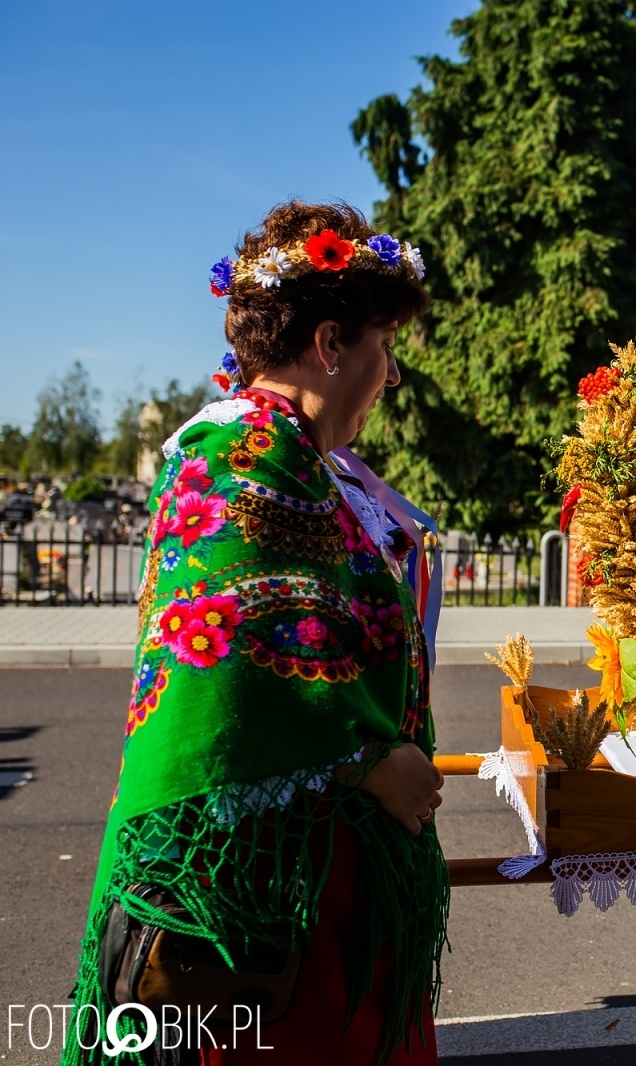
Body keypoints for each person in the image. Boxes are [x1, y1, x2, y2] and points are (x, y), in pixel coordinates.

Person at [64, 202, 449, 1066]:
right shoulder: (237, 452)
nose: (390, 374)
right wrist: (368, 762)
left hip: (309, 867)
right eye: (384, 345)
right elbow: (227, 658)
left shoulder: (296, 455)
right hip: (265, 888)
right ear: (330, 344)